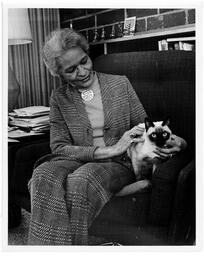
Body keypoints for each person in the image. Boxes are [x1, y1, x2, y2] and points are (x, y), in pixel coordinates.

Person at [28, 28, 187, 245]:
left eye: (84, 61)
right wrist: (111, 148)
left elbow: (144, 125)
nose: (82, 72)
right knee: (42, 175)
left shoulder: (120, 83)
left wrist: (179, 141)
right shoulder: (59, 97)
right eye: (71, 70)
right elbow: (59, 146)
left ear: (87, 53)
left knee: (81, 181)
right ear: (59, 74)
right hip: (74, 158)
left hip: (117, 163)